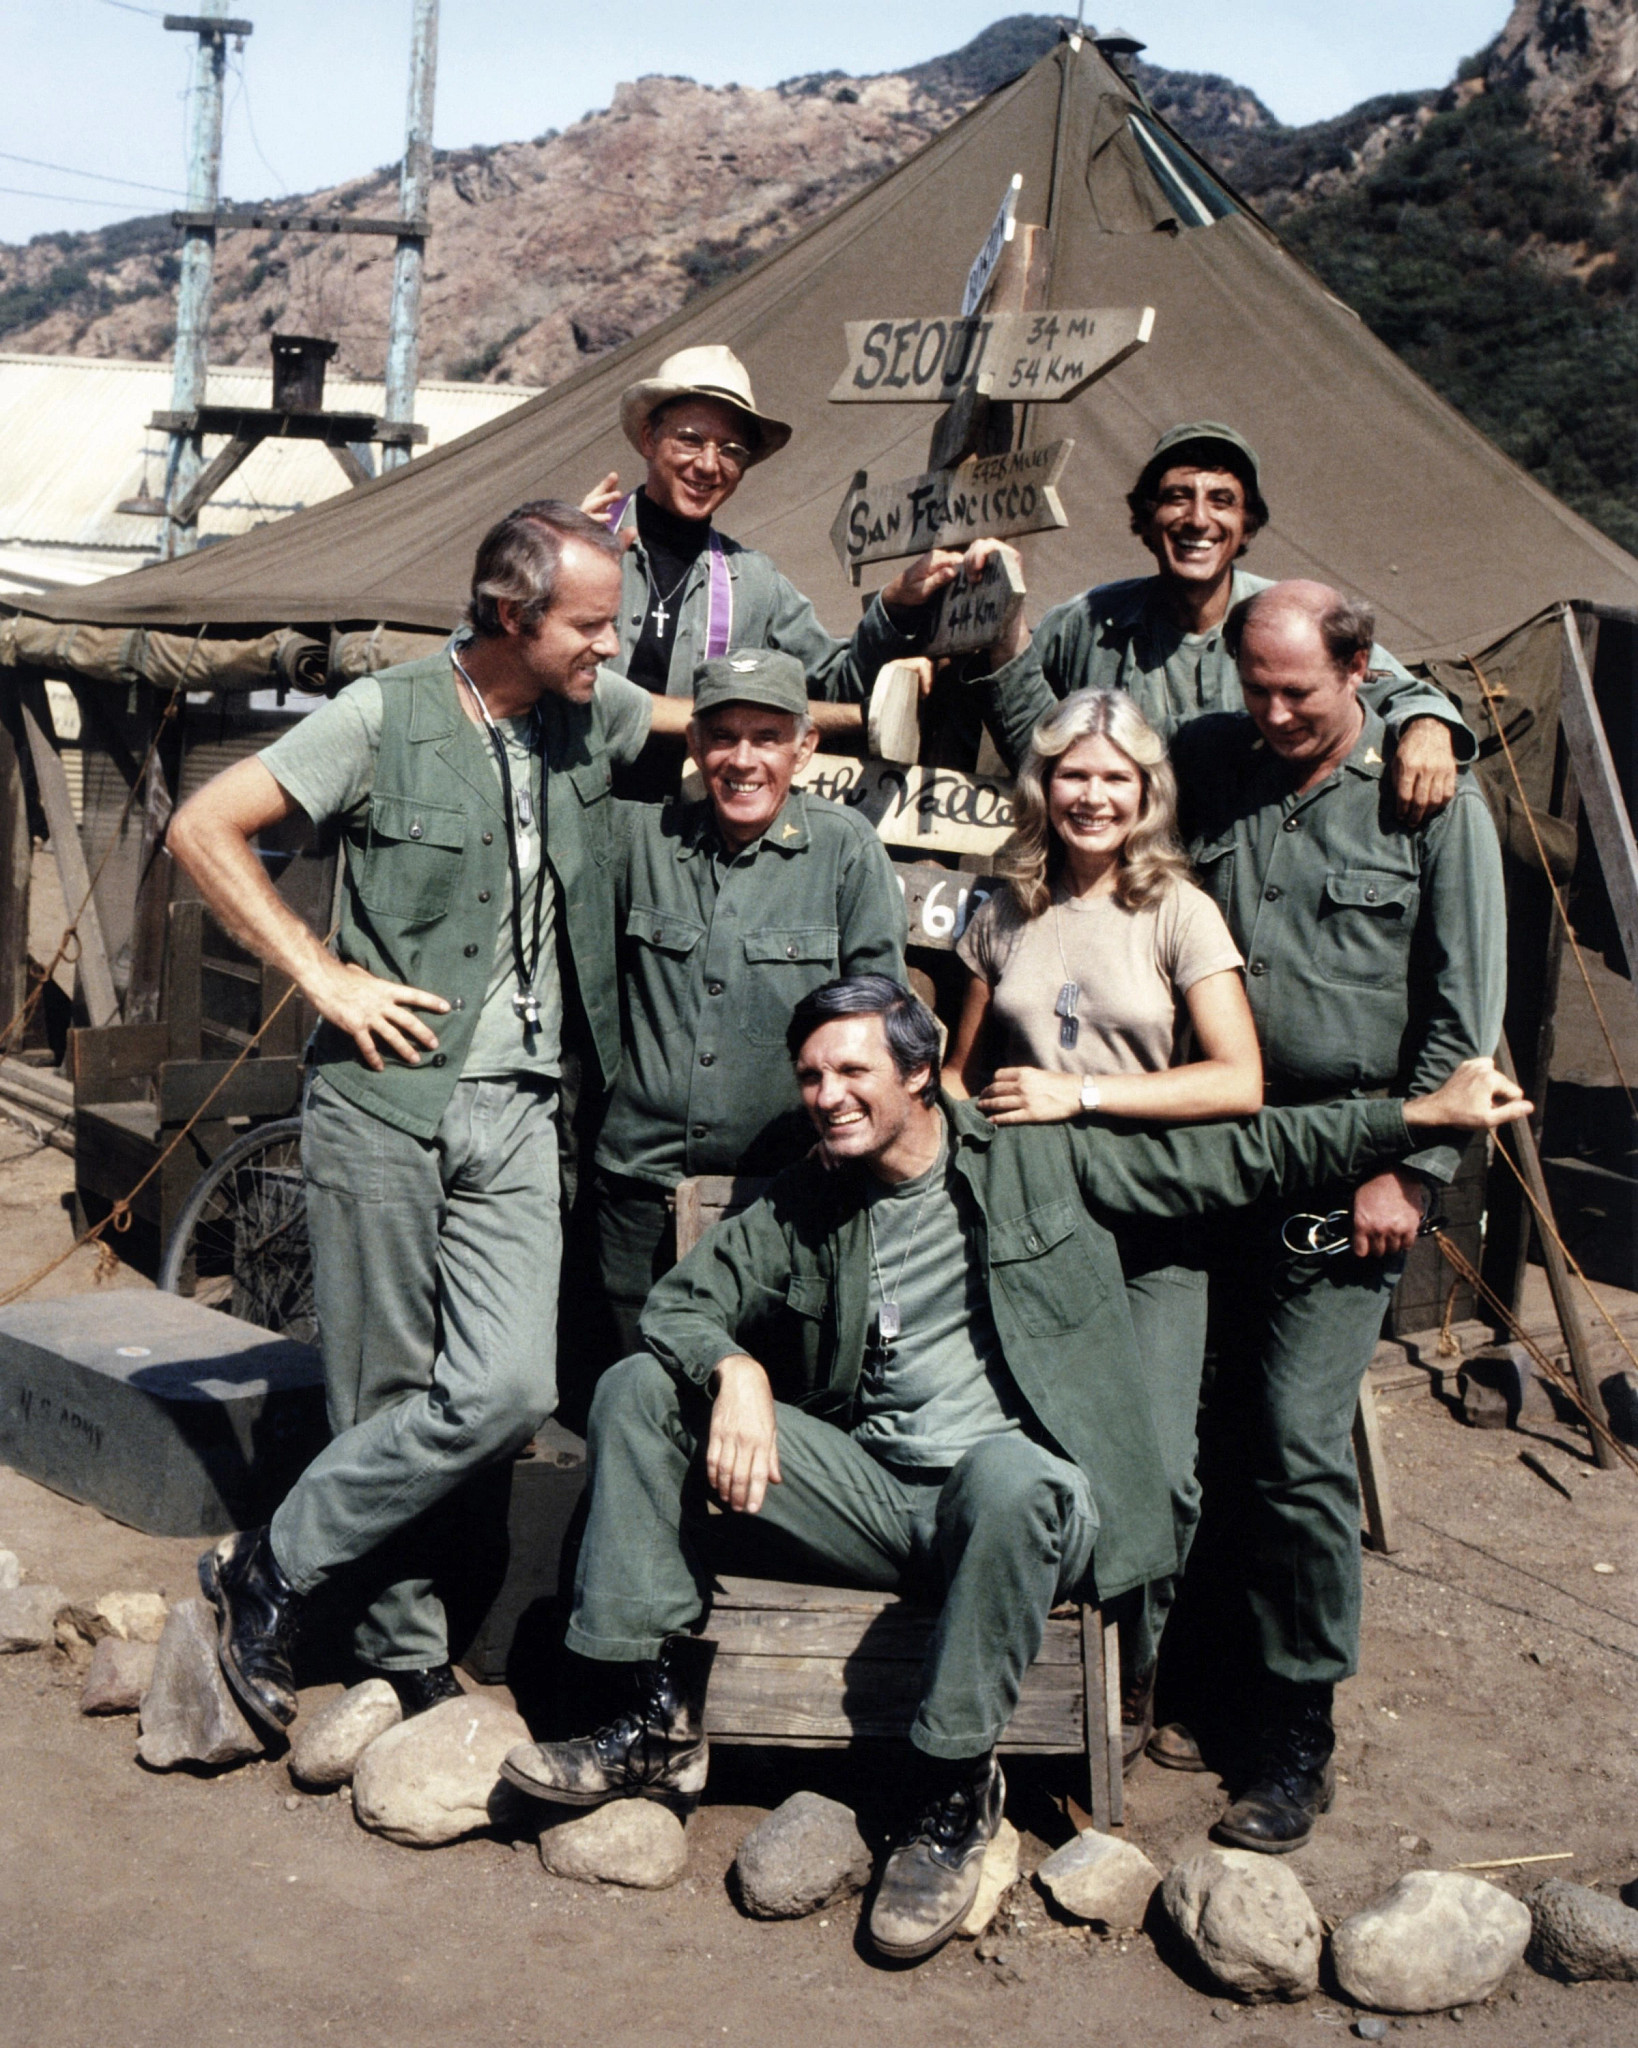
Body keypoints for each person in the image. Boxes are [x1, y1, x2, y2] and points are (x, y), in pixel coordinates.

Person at [499, 975, 1529, 1961]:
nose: (827, 1096)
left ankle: (947, 1794)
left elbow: (1248, 1149)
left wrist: (1417, 1117)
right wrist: (735, 1368)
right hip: (872, 1492)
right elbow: (681, 1303)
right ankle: (648, 1713)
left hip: (1025, 1505)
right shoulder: (808, 1202)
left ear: (920, 1071)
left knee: (1007, 1474)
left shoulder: (1042, 1159)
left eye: (852, 1071)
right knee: (641, 1385)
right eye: (811, 1075)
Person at [167, 501, 694, 1735]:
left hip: (517, 1110)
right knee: (384, 1389)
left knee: (506, 1388)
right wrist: (323, 972)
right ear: (512, 617)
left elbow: (702, 727)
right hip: (382, 1103)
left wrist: (902, 680)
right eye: (590, 624)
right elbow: (204, 826)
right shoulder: (381, 715)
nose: (610, 649)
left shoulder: (586, 713)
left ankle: (273, 1564)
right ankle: (403, 1650)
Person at [1155, 580, 1506, 1852]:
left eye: (1300, 689)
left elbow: (1465, 1013)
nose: (1275, 710)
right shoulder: (1212, 758)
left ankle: (1297, 1726)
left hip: (1341, 1183)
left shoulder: (1426, 794)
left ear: (1362, 669)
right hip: (1217, 1162)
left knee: (1299, 1432)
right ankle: (1202, 1670)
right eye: (1255, 686)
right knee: (1202, 1413)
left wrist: (1411, 1174)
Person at [943, 686, 1261, 1767]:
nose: (1091, 794)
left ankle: (1131, 1678)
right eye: (1073, 773)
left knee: (1160, 1464)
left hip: (1155, 1222)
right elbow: (958, 1069)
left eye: (1114, 777)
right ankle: (1047, 1677)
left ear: (1145, 793)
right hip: (1037, 1218)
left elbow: (1237, 1078)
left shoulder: (1178, 908)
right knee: (1046, 1449)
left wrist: (1081, 1097)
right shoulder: (1004, 903)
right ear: (1043, 783)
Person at [585, 645, 906, 1375]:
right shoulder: (643, 841)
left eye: (767, 737)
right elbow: (574, 711)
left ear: (805, 746)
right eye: (723, 736)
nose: (744, 759)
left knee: (767, 1408)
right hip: (639, 1191)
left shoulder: (844, 850)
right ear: (693, 742)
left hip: (782, 1196)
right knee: (639, 1394)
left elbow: (883, 1015)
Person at [974, 421, 1470, 828]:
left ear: (1247, 524)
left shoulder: (1284, 620)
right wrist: (939, 652)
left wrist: (1429, 725)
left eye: (1221, 500)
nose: (1197, 519)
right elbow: (1020, 707)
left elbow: (1385, 685)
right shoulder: (1091, 620)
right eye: (1177, 497)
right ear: (1146, 520)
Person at [581, 343, 983, 793]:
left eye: (731, 450)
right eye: (690, 440)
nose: (708, 465)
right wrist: (560, 567)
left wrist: (894, 607)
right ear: (649, 439)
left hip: (684, 837)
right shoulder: (580, 543)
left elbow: (837, 682)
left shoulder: (755, 582)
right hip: (566, 815)